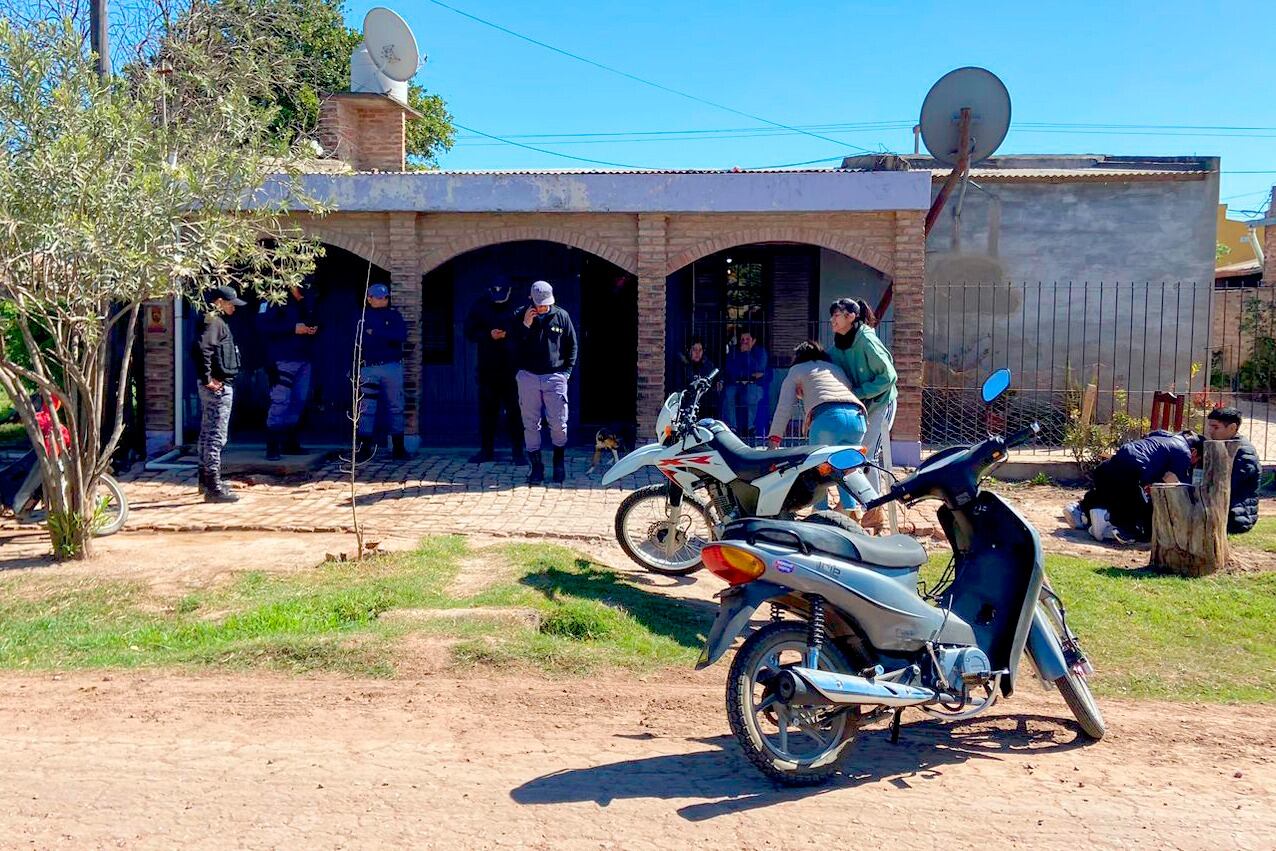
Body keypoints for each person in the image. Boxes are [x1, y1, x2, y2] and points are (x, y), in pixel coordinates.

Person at [767, 341, 867, 511]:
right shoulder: (835, 369)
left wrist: (774, 441)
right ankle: (851, 511)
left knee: (817, 469)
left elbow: (784, 408)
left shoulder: (796, 370)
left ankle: (820, 514)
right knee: (845, 468)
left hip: (826, 419)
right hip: (857, 418)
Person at [1070, 429, 1202, 543]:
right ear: (1194, 452)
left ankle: (1081, 511)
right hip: (1133, 470)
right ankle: (1122, 529)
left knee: (1111, 492)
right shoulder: (1185, 453)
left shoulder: (1165, 436)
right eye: (1196, 462)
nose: (1192, 465)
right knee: (1139, 511)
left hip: (1109, 465)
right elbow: (1173, 484)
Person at [828, 298, 898, 510]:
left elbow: (889, 376)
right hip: (861, 406)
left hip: (881, 402)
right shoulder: (838, 345)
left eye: (837, 315)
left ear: (851, 316)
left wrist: (858, 392)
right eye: (831, 316)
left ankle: (873, 506)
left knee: (866, 455)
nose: (832, 320)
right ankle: (856, 503)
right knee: (853, 453)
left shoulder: (867, 340)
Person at [513, 280, 577, 484]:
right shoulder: (520, 315)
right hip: (528, 376)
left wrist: (566, 372)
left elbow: (572, 345)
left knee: (558, 423)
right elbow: (511, 344)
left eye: (545, 304)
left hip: (555, 376)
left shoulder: (562, 316)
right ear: (531, 298)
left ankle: (559, 463)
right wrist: (525, 325)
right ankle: (536, 467)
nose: (542, 307)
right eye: (539, 303)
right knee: (530, 424)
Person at [195, 285, 246, 503]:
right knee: (216, 436)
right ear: (218, 302)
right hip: (218, 387)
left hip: (215, 385)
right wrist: (208, 379)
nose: (233, 308)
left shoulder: (212, 322)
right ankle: (213, 487)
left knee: (207, 434)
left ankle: (205, 481)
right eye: (230, 304)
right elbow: (202, 348)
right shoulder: (214, 323)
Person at [464, 280, 523, 465]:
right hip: (488, 368)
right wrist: (488, 335)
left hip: (513, 369)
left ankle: (518, 452)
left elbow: (527, 331)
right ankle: (486, 450)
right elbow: (469, 331)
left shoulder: (519, 305)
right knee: (487, 412)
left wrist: (509, 335)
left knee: (515, 412)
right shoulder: (479, 306)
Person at [258, 284, 318, 461]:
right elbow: (262, 326)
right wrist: (292, 328)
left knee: (299, 400)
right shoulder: (272, 298)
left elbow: (314, 317)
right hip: (282, 358)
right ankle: (272, 446)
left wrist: (312, 327)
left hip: (304, 358)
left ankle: (290, 443)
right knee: (280, 401)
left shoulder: (305, 298)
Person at [356, 283, 410, 462]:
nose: (382, 300)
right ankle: (364, 447)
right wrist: (385, 334)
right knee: (366, 408)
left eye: (385, 297)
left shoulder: (394, 315)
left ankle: (399, 447)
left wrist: (376, 332)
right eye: (378, 297)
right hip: (369, 366)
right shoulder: (362, 317)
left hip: (392, 366)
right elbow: (361, 340)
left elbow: (400, 336)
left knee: (396, 406)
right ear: (369, 298)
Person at [1205, 407, 1261, 534]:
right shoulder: (1222, 445)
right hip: (1224, 511)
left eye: (1215, 427)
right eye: (1210, 426)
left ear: (1232, 428)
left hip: (1236, 517)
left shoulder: (1243, 453)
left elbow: (1227, 485)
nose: (1210, 431)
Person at [722, 330, 768, 439]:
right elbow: (730, 369)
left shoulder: (760, 352)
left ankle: (750, 427)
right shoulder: (733, 352)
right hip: (736, 383)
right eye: (742, 340)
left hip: (754, 384)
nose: (744, 342)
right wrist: (747, 375)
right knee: (729, 394)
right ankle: (733, 427)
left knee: (751, 395)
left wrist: (747, 354)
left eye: (747, 340)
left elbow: (759, 369)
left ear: (754, 341)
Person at [681, 339, 719, 418]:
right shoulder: (683, 367)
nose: (697, 353)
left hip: (705, 403)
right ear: (689, 350)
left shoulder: (708, 365)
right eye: (694, 349)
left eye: (700, 350)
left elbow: (715, 378)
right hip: (687, 403)